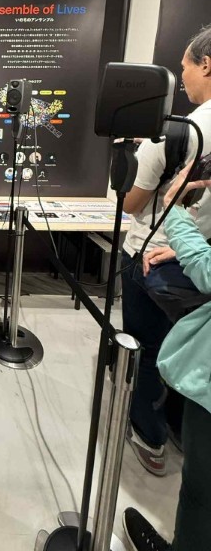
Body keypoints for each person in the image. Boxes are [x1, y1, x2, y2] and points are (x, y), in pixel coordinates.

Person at [121, 25, 211, 476]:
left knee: (145, 349)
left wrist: (139, 162)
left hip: (151, 257)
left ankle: (148, 436)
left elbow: (132, 204)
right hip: (199, 263)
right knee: (188, 347)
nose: (183, 78)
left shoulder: (174, 133)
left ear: (206, 65)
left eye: (185, 68)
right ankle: (180, 429)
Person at [123, 163, 211, 551]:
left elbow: (131, 204)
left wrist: (172, 207)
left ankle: (149, 436)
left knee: (200, 492)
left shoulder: (164, 143)